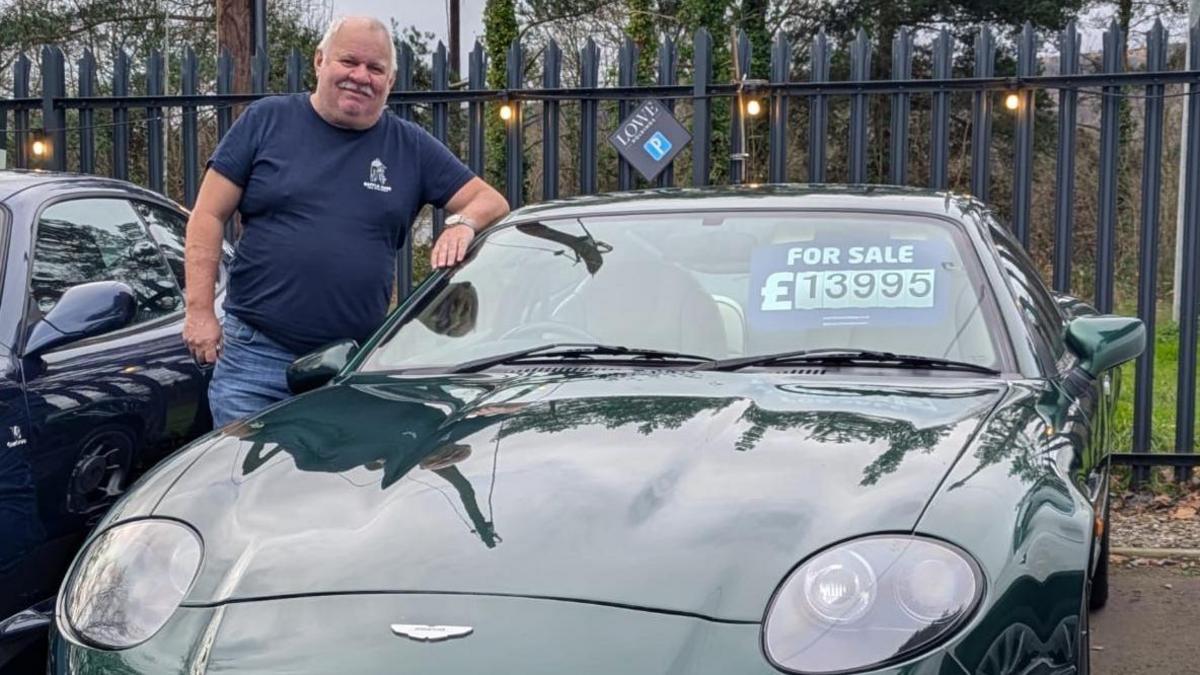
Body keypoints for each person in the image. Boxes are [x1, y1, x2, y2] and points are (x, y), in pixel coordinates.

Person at [182, 16, 509, 428]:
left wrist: (461, 222)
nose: (361, 76)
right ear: (320, 61)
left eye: (375, 69)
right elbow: (207, 215)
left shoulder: (410, 146)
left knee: (338, 492)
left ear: (390, 81)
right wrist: (199, 312)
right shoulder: (265, 121)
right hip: (255, 361)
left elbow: (490, 200)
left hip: (352, 366)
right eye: (349, 61)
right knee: (246, 489)